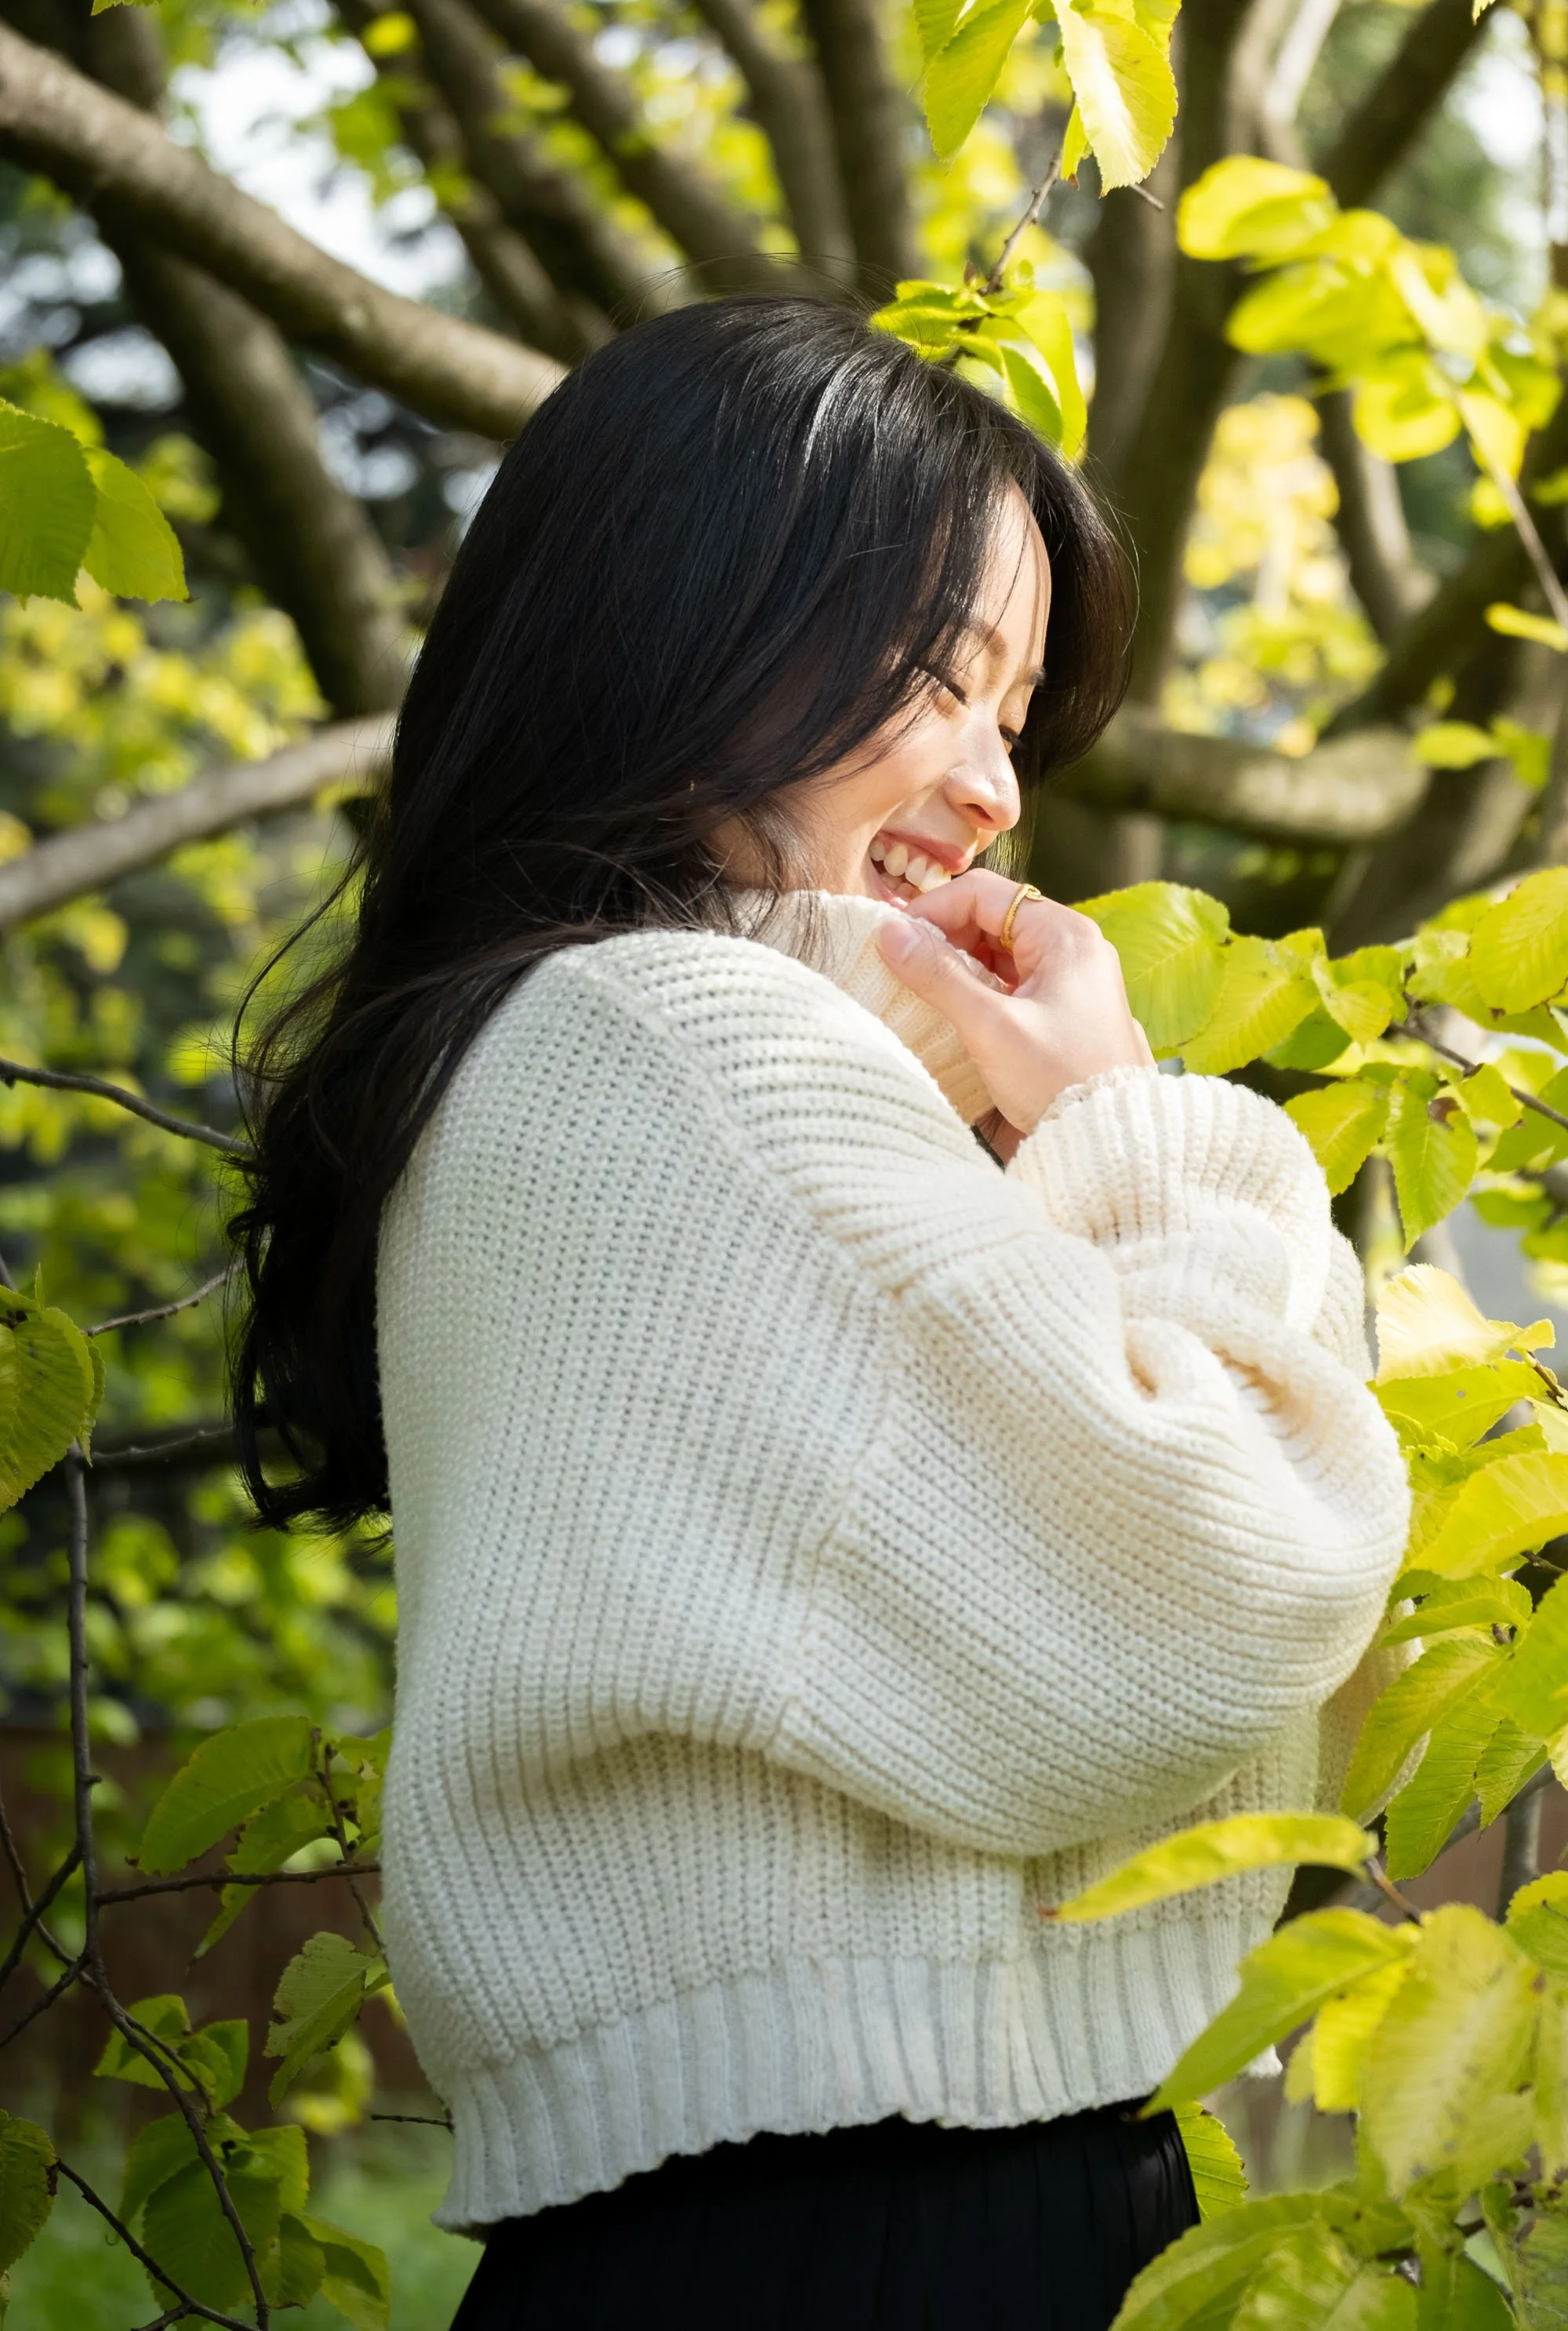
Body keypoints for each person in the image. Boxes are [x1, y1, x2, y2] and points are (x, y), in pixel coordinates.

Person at [229, 297, 1410, 2330]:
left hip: (803, 2212)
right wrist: (1129, 1119)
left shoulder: (616, 1058)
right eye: (949, 680)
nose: (996, 790)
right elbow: (1227, 1579)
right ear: (694, 615)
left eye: (1019, 718)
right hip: (867, 2232)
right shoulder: (688, 1046)